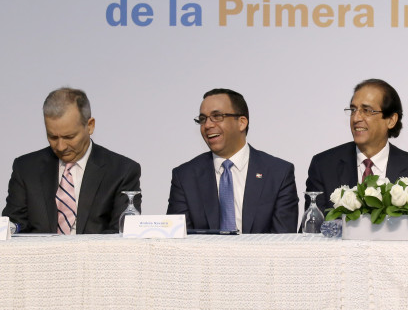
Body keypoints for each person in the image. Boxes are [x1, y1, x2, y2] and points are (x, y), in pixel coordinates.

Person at [2, 88, 141, 234]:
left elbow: (121, 234)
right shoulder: (25, 169)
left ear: (90, 126)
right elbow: (13, 228)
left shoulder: (122, 171)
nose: (60, 147)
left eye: (69, 137)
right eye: (53, 137)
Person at [167, 88, 298, 233]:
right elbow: (178, 239)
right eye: (203, 119)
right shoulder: (185, 176)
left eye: (217, 116)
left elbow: (282, 240)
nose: (207, 125)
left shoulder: (278, 173)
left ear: (241, 122)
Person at [306, 79, 408, 214]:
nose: (356, 118)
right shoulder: (323, 166)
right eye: (353, 110)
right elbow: (313, 224)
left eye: (367, 110)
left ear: (391, 120)